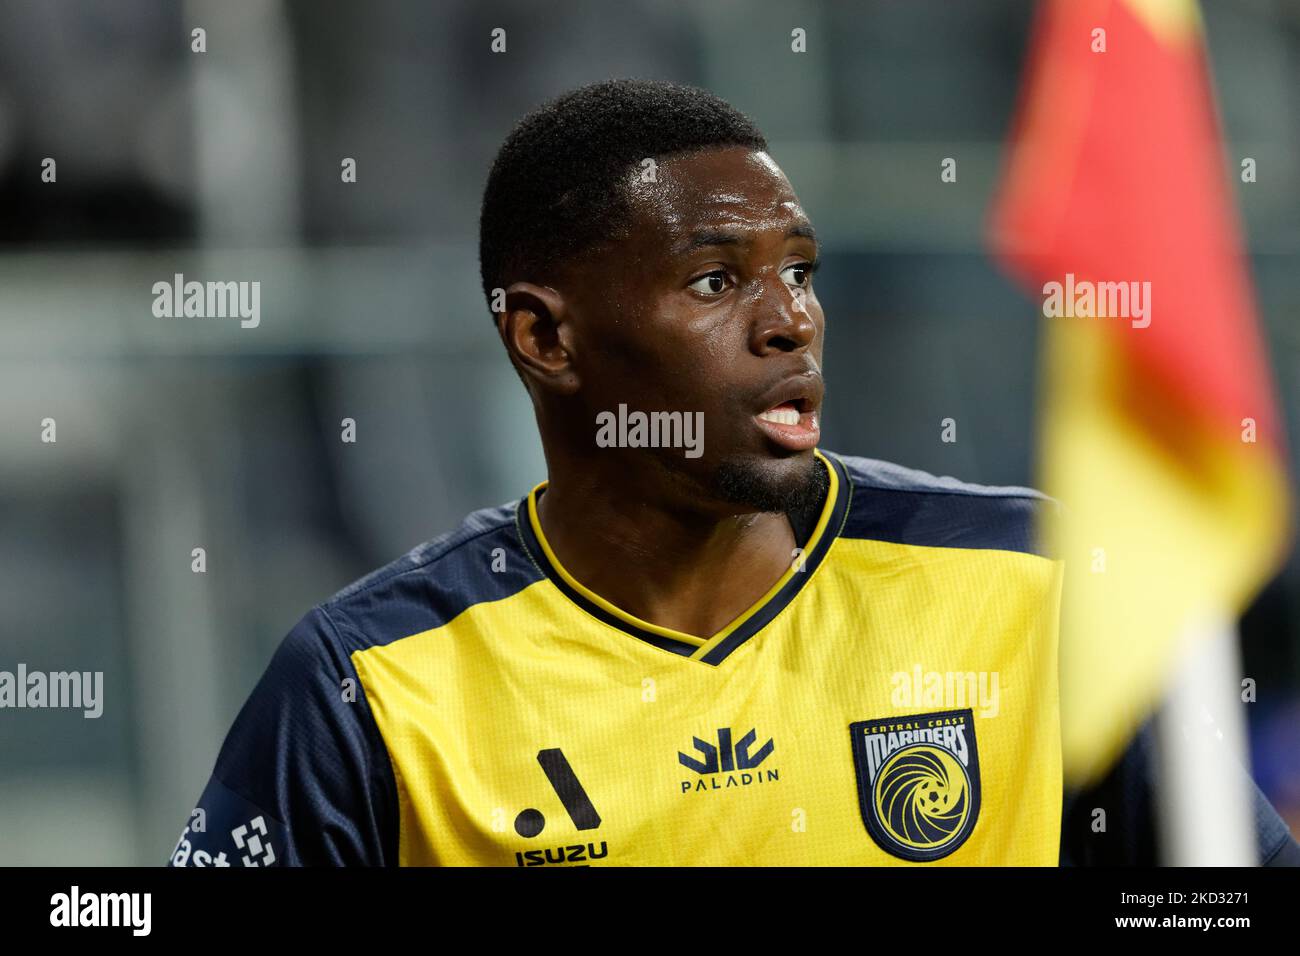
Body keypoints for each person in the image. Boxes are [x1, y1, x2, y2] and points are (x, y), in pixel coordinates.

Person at [168, 78, 1298, 867]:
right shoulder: (368, 685)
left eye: (799, 269)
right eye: (717, 280)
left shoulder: (1029, 582)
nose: (790, 321)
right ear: (544, 339)